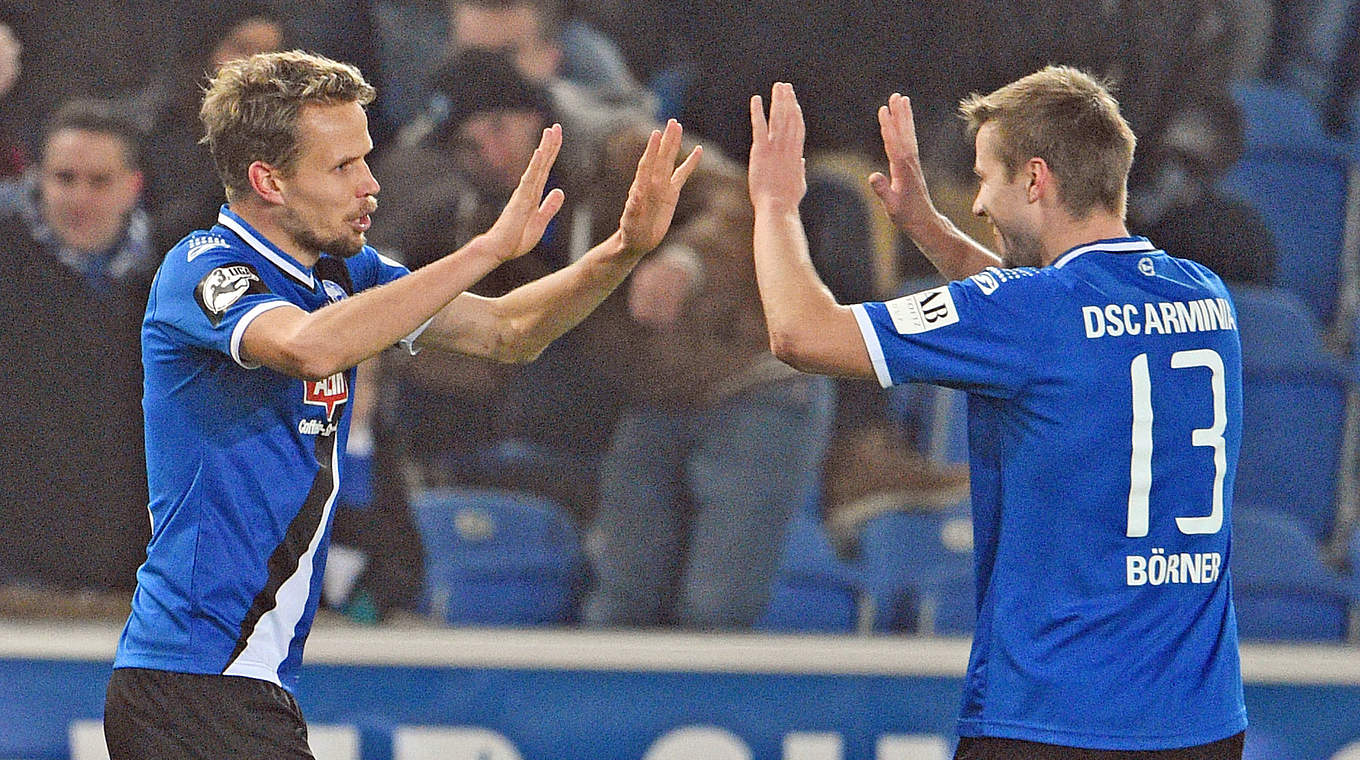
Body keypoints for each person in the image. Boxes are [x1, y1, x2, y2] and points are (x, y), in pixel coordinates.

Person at [103, 49, 699, 758]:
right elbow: (310, 348)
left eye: (366, 157)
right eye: (343, 166)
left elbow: (508, 331)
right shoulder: (203, 268)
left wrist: (622, 251)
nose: (371, 184)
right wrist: (484, 251)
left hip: (243, 687)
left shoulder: (344, 272)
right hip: (190, 684)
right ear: (269, 180)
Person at [748, 69, 1246, 757]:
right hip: (1201, 722)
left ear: (1035, 179)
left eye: (984, 178)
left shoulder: (1032, 315)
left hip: (1055, 718)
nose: (977, 202)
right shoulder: (1205, 296)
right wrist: (926, 226)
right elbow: (1044, 322)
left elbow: (801, 335)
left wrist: (775, 207)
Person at [578, 126, 835, 630]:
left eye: (500, 125)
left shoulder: (619, 148)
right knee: (618, 606)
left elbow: (743, 197)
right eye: (472, 141)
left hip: (754, 383)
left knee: (716, 607)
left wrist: (685, 260)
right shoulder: (478, 215)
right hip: (649, 397)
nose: (490, 150)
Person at [0, 98, 156, 598]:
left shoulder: (171, 288)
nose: (79, 198)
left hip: (133, 573)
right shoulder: (9, 271)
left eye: (99, 181)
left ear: (133, 186)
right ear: (38, 180)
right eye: (64, 179)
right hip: (17, 573)